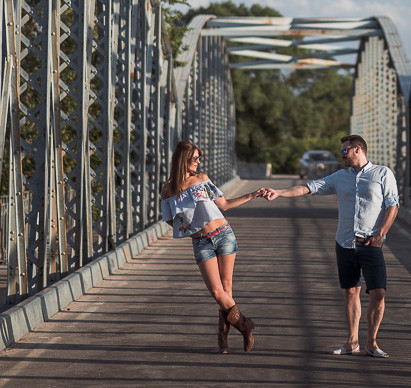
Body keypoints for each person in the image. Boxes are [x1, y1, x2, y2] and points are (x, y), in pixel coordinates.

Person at [263, 134, 398, 358]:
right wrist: (279, 193)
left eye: (345, 150)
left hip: (371, 243)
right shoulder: (339, 177)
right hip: (345, 243)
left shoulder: (382, 173)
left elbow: (393, 205)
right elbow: (307, 188)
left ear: (357, 149)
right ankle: (352, 342)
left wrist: (381, 234)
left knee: (379, 293)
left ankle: (372, 343)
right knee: (351, 292)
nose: (342, 155)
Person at [161, 139, 263, 353]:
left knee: (226, 290)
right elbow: (170, 219)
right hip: (201, 242)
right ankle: (245, 325)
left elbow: (224, 204)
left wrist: (252, 195)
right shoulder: (168, 190)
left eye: (199, 158)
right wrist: (189, 229)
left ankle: (223, 339)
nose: (198, 161)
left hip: (224, 234)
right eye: (195, 158)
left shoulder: (202, 179)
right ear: (182, 159)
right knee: (218, 292)